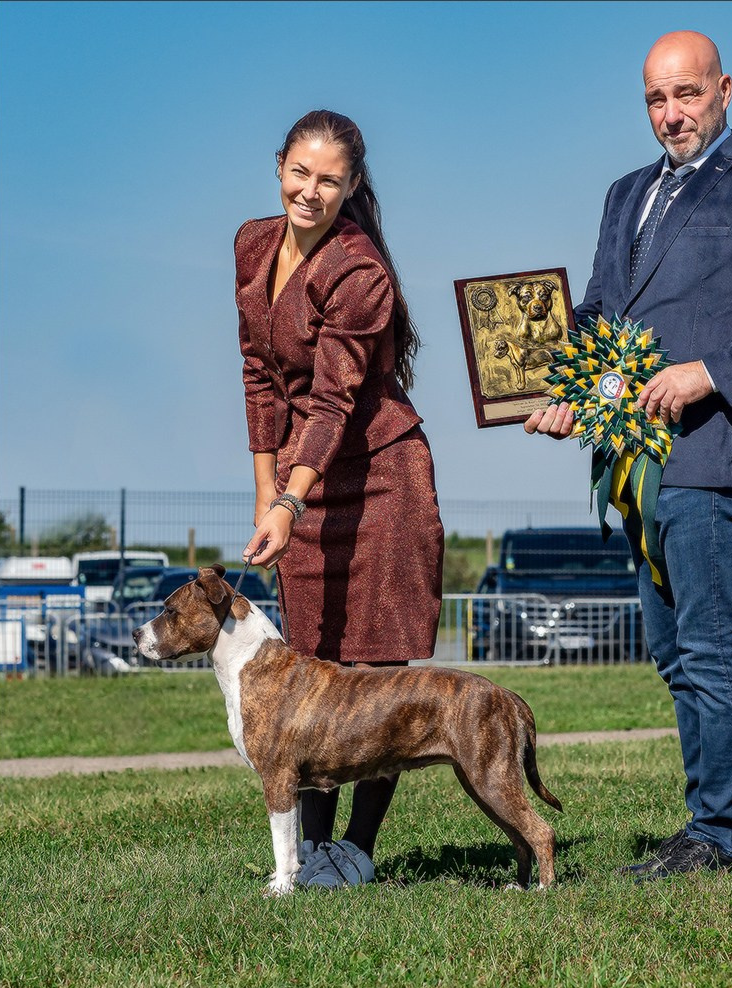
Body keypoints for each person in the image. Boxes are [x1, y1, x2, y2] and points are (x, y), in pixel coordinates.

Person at [526, 31, 732, 878]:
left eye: (687, 94)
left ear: (725, 90)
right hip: (635, 462)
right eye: (657, 100)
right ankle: (706, 824)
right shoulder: (626, 193)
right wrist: (556, 390)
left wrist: (709, 372)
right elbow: (599, 316)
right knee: (671, 649)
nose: (672, 114)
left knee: (707, 644)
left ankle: (721, 838)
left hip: (712, 455)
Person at [235, 109, 444, 889]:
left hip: (382, 476)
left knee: (374, 669)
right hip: (301, 483)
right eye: (299, 172)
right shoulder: (251, 245)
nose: (310, 192)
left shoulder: (360, 271)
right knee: (311, 665)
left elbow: (330, 404)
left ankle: (356, 848)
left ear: (353, 185)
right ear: (278, 165)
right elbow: (260, 375)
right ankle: (313, 849)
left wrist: (289, 499)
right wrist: (269, 494)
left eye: (329, 180)